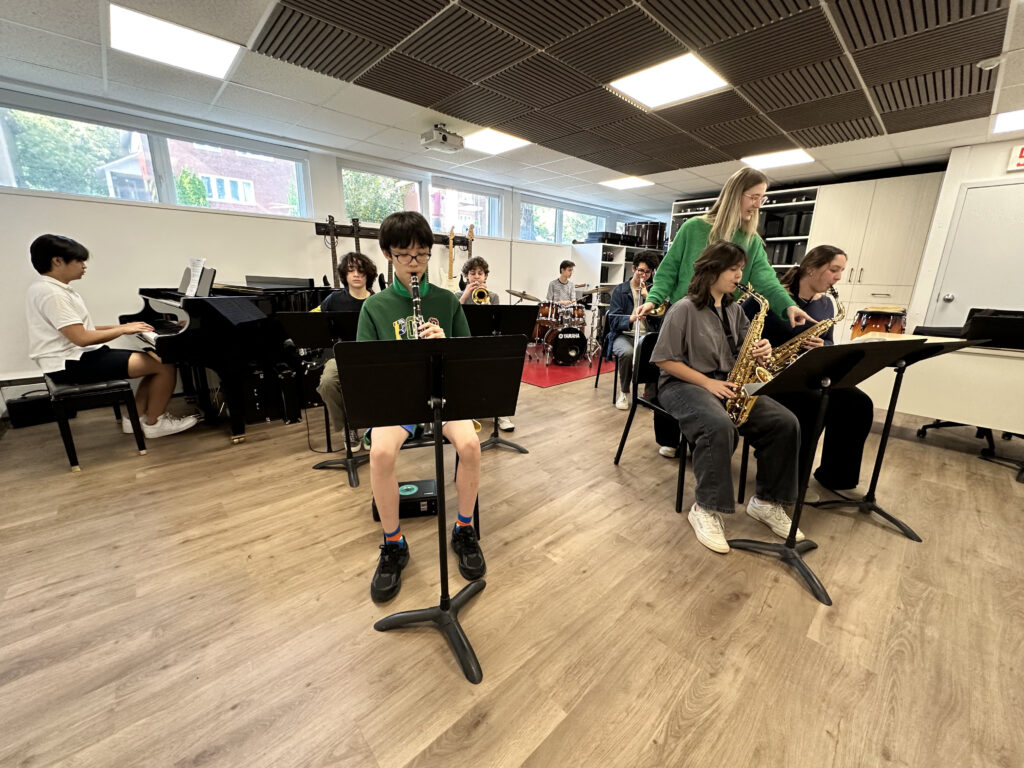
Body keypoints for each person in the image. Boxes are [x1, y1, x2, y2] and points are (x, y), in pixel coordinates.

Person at [635, 167, 814, 457]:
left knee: (715, 378)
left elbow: (766, 278)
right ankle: (670, 439)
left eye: (762, 198)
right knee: (674, 376)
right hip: (686, 313)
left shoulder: (752, 240)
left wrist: (788, 304)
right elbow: (668, 269)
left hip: (721, 315)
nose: (758, 204)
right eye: (753, 197)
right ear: (735, 195)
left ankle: (706, 444)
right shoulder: (694, 227)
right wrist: (653, 299)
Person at [357, 211, 484, 603]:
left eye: (421, 255)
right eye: (404, 255)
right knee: (379, 452)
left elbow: (468, 363)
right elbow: (364, 371)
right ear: (387, 255)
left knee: (470, 446)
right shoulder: (374, 308)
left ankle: (463, 529)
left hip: (445, 397)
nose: (414, 264)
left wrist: (444, 343)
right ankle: (393, 542)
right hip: (397, 402)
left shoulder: (447, 301)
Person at [651, 241, 802, 555]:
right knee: (718, 426)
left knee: (785, 422)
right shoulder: (684, 308)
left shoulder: (734, 310)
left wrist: (762, 351)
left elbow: (746, 351)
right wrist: (707, 383)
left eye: (741, 268)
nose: (739, 274)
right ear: (712, 270)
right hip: (684, 383)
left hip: (728, 383)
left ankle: (766, 502)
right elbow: (665, 360)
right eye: (733, 269)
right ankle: (705, 508)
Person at [25, 234, 198, 439]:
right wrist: (123, 330)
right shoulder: (53, 294)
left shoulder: (48, 288)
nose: (84, 265)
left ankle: (133, 419)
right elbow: (81, 337)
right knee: (163, 364)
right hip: (71, 363)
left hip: (71, 358)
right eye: (79, 260)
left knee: (154, 360)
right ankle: (155, 423)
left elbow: (80, 328)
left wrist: (124, 326)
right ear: (57, 261)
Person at [746, 245, 874, 497]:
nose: (838, 277)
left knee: (858, 402)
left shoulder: (825, 304)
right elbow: (739, 333)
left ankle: (835, 476)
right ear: (811, 269)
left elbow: (829, 342)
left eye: (841, 271)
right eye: (833, 270)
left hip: (807, 372)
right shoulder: (770, 296)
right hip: (769, 374)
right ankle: (790, 483)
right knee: (813, 405)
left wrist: (823, 344)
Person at [313, 251, 377, 451]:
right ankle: (348, 426)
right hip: (342, 354)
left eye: (360, 270)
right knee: (327, 382)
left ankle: (376, 428)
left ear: (368, 274)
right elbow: (314, 319)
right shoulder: (333, 299)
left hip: (372, 356)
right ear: (344, 275)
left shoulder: (378, 300)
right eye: (351, 270)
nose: (356, 274)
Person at [458, 256, 515, 432]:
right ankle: (468, 412)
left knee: (499, 372)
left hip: (487, 344)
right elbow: (453, 315)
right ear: (466, 276)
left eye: (480, 273)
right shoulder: (458, 296)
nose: (476, 277)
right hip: (465, 344)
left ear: (485, 277)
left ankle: (501, 413)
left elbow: (496, 323)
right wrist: (466, 295)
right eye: (472, 273)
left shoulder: (494, 296)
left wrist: (487, 302)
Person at [605, 250, 662, 410]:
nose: (644, 275)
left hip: (647, 336)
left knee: (659, 354)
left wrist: (649, 299)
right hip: (623, 335)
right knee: (627, 353)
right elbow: (613, 320)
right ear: (633, 269)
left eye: (648, 272)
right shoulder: (620, 290)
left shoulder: (654, 293)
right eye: (641, 271)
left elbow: (661, 320)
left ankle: (650, 395)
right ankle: (624, 392)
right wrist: (631, 318)